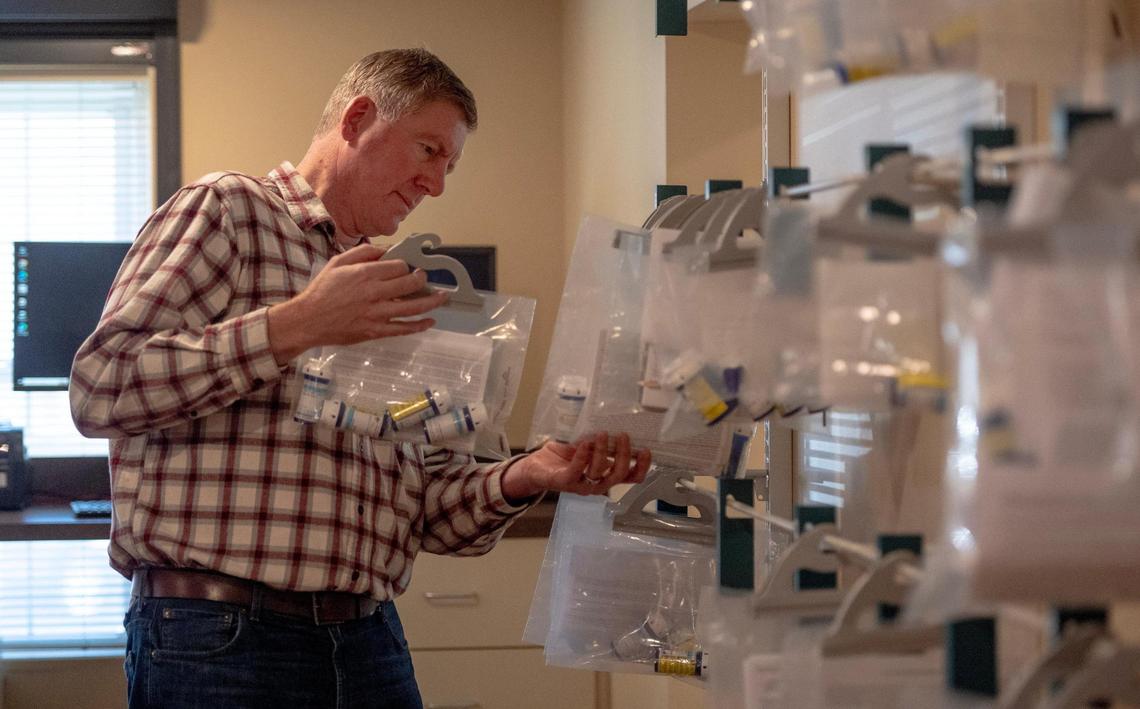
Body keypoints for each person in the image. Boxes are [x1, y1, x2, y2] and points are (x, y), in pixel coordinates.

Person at [70, 48, 650, 709]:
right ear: (359, 117)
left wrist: (530, 474)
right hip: (220, 637)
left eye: (449, 167)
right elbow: (101, 386)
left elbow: (431, 512)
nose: (436, 184)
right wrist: (296, 326)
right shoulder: (228, 209)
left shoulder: (393, 289)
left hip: (369, 639)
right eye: (428, 150)